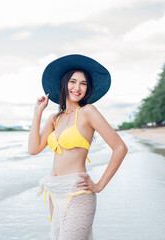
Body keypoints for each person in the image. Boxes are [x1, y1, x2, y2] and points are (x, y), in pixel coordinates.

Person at [28, 54, 128, 240]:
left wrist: (99, 185)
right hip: (55, 191)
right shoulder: (54, 119)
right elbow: (33, 149)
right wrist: (37, 113)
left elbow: (120, 148)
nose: (77, 87)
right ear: (64, 84)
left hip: (78, 192)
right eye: (73, 81)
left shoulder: (88, 112)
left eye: (83, 83)